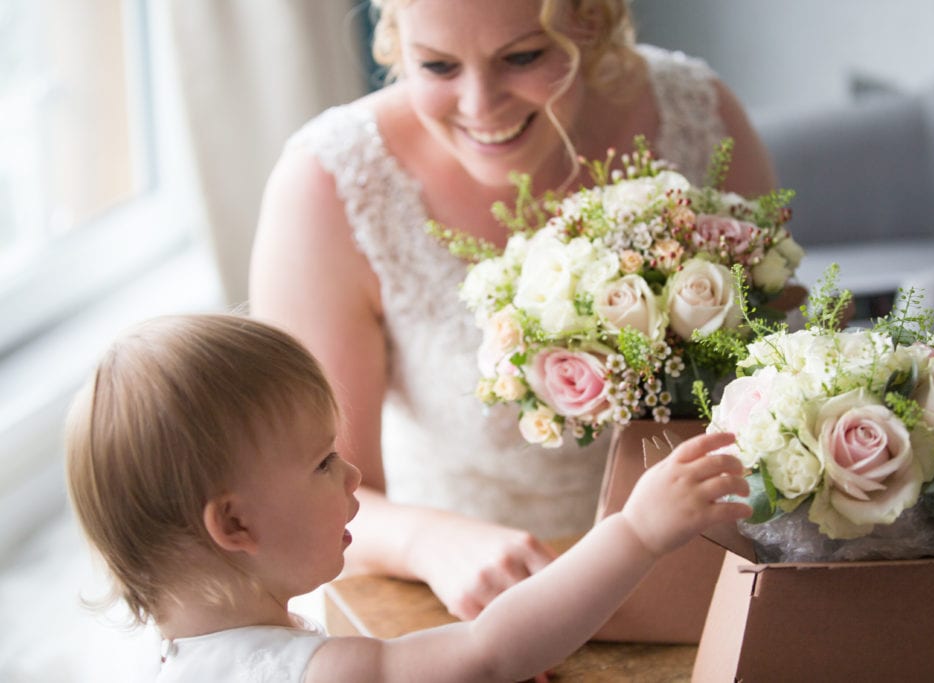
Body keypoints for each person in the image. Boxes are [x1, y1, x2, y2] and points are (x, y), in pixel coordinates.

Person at [249, 0, 775, 621]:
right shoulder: (331, 185)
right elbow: (293, 493)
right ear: (395, 43)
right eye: (438, 66)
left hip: (707, 579)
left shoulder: (697, 116)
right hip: (467, 605)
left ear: (592, 22)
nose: (480, 105)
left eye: (523, 56)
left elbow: (776, 379)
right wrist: (431, 542)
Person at [64, 313, 751, 682]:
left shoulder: (172, 658)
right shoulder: (318, 672)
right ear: (236, 521)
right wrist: (635, 531)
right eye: (323, 461)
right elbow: (489, 652)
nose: (353, 475)